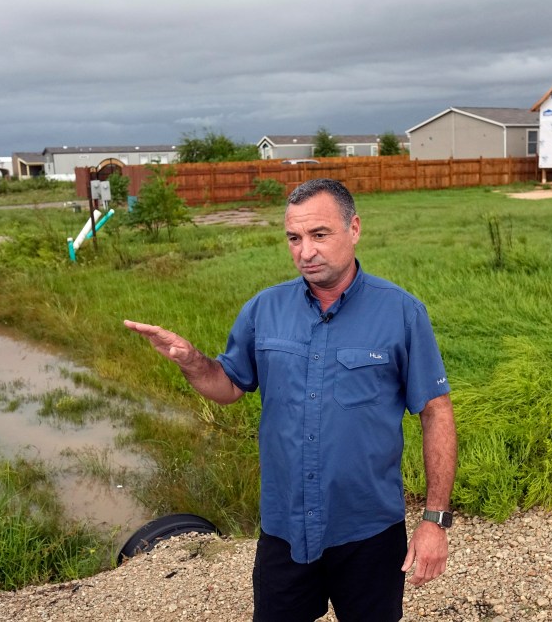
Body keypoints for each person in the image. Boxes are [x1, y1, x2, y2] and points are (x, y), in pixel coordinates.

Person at [124, 178, 457, 622]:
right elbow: (228, 387)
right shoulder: (264, 310)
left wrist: (434, 521)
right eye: (294, 238)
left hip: (369, 532)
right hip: (284, 530)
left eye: (319, 235)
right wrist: (191, 361)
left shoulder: (401, 312)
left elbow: (436, 412)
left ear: (353, 228)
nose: (305, 251)